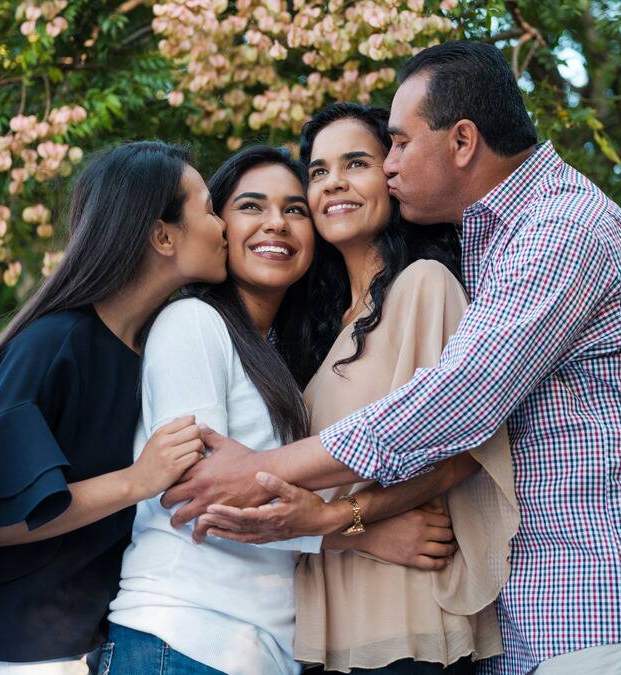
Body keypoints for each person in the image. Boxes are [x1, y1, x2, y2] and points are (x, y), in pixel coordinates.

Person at [163, 41, 621, 675]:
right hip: (537, 610)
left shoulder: (561, 231)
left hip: (598, 591)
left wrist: (269, 476)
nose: (388, 165)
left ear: (463, 141)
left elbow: (456, 403)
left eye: (395, 144)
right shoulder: (494, 244)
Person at [106, 145, 455, 675]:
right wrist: (366, 533)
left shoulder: (288, 361)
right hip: (183, 634)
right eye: (251, 207)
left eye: (295, 210)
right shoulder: (193, 323)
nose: (277, 224)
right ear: (218, 226)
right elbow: (200, 495)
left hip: (260, 650)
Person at [197, 104, 520, 674]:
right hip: (320, 630)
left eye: (356, 163)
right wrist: (356, 532)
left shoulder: (425, 286)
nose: (334, 183)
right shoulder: (317, 333)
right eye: (318, 172)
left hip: (405, 621)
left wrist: (344, 517)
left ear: (392, 179)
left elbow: (461, 454)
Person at [0, 141, 226, 674]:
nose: (223, 223)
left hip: (78, 648)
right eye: (208, 208)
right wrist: (139, 480)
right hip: (3, 653)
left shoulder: (153, 350)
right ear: (163, 236)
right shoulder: (53, 345)